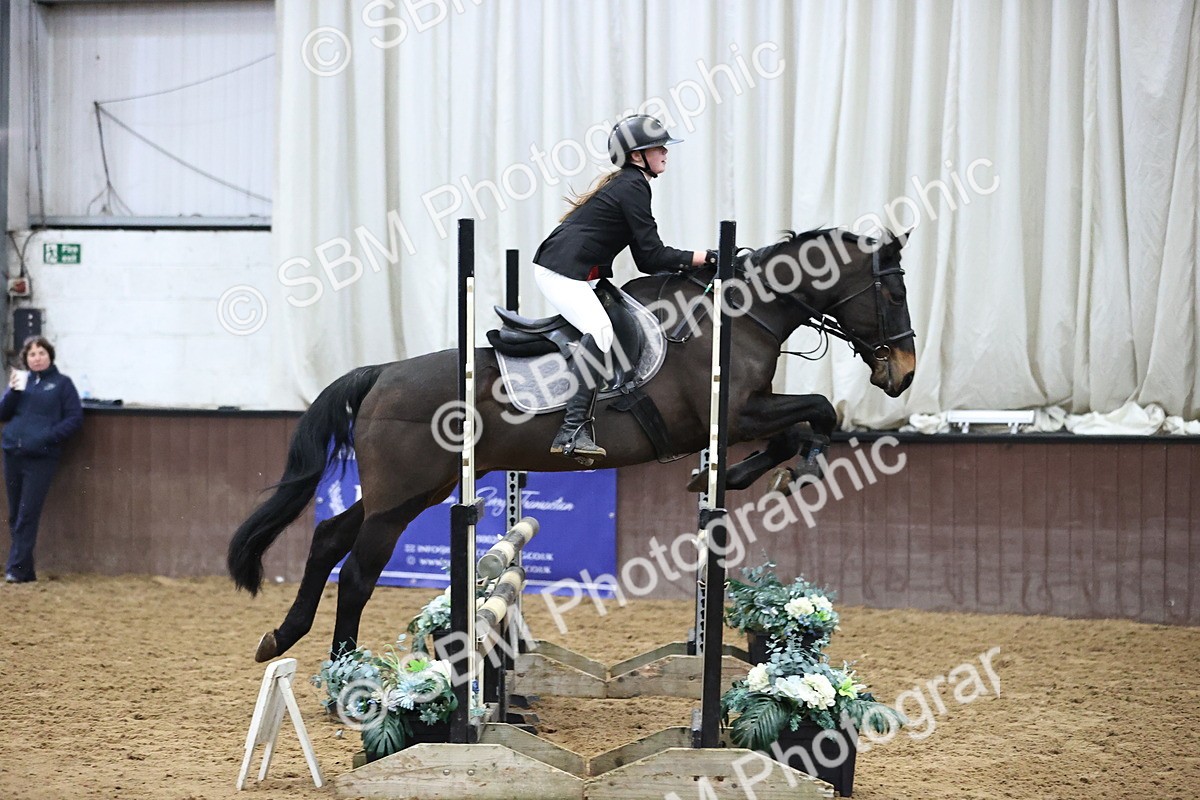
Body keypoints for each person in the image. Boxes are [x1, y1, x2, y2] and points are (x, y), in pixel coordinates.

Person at [534, 114, 716, 462]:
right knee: (601, 332)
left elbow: (647, 260)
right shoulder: (632, 187)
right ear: (637, 156)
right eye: (658, 147)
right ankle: (571, 431)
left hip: (579, 273)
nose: (665, 152)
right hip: (561, 273)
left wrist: (699, 259)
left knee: (619, 323)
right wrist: (704, 256)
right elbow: (653, 255)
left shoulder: (631, 184)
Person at [1, 336, 83, 583]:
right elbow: (3, 412)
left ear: (50, 356)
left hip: (40, 457)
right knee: (15, 514)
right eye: (32, 354)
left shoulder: (62, 384)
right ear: (26, 359)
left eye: (41, 353)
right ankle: (24, 571)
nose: (37, 358)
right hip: (13, 453)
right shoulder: (21, 382)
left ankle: (16, 568)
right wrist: (12, 392)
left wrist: (47, 437)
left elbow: (74, 418)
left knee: (27, 513)